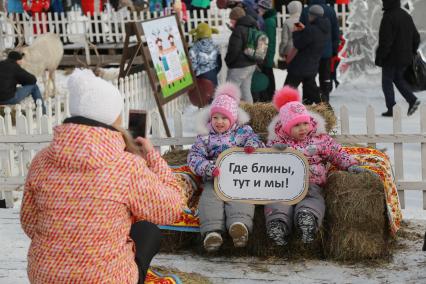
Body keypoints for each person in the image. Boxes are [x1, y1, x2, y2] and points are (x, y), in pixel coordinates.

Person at [20, 69, 185, 283]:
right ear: (112, 117)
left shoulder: (42, 160)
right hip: (105, 279)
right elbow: (171, 208)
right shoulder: (126, 166)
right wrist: (152, 157)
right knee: (147, 230)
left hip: (45, 276)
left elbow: (29, 222)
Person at [264, 86, 367, 245]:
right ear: (286, 128)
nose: (303, 128)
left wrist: (350, 164)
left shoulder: (319, 139)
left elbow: (336, 152)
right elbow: (263, 161)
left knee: (313, 200)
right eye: (296, 126)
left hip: (312, 182)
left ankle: (307, 221)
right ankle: (277, 225)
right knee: (277, 201)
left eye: (305, 123)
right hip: (283, 184)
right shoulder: (278, 142)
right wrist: (273, 151)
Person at [187, 82, 263, 252]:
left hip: (239, 177)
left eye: (224, 118)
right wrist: (207, 167)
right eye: (216, 117)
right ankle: (212, 232)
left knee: (241, 196)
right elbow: (194, 157)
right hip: (215, 176)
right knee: (210, 198)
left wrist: (251, 146)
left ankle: (239, 226)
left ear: (233, 118)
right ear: (210, 118)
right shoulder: (205, 137)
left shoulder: (242, 132)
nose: (219, 122)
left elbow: (257, 142)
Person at [375, 0, 420, 117]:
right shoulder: (406, 16)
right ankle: (412, 100)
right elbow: (416, 37)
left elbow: (386, 41)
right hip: (405, 56)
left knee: (387, 81)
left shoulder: (388, 17)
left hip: (391, 57)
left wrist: (380, 56)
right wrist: (412, 51)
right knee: (398, 79)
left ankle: (392, 108)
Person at [284, 5, 330, 105]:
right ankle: (327, 111)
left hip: (299, 67)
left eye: (309, 14)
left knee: (286, 93)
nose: (308, 16)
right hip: (311, 67)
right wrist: (305, 30)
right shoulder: (323, 30)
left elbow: (298, 44)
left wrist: (296, 32)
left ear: (313, 16)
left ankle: (281, 113)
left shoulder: (311, 30)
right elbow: (310, 41)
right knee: (315, 93)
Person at [301, 0, 339, 103]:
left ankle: (307, 100)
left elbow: (301, 32)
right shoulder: (330, 10)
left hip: (310, 51)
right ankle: (325, 100)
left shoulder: (305, 11)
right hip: (326, 51)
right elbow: (336, 31)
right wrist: (334, 49)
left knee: (308, 77)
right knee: (325, 77)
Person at [225, 7, 258, 103]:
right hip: (251, 64)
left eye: (231, 20)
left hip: (239, 67)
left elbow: (234, 50)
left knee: (228, 93)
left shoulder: (238, 30)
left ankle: (227, 115)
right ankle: (250, 115)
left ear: (236, 19)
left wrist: (228, 61)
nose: (230, 22)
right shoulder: (252, 26)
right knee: (246, 92)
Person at [189, 23, 222, 87]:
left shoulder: (194, 49)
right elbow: (219, 62)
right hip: (213, 74)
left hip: (200, 77)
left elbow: (193, 66)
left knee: (202, 95)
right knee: (213, 94)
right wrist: (214, 71)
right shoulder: (215, 46)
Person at [256, 0, 276, 102]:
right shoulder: (268, 19)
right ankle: (270, 96)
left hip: (266, 54)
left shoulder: (268, 22)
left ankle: (269, 97)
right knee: (268, 74)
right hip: (267, 53)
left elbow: (266, 40)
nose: (258, 10)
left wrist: (263, 56)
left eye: (259, 8)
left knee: (267, 75)